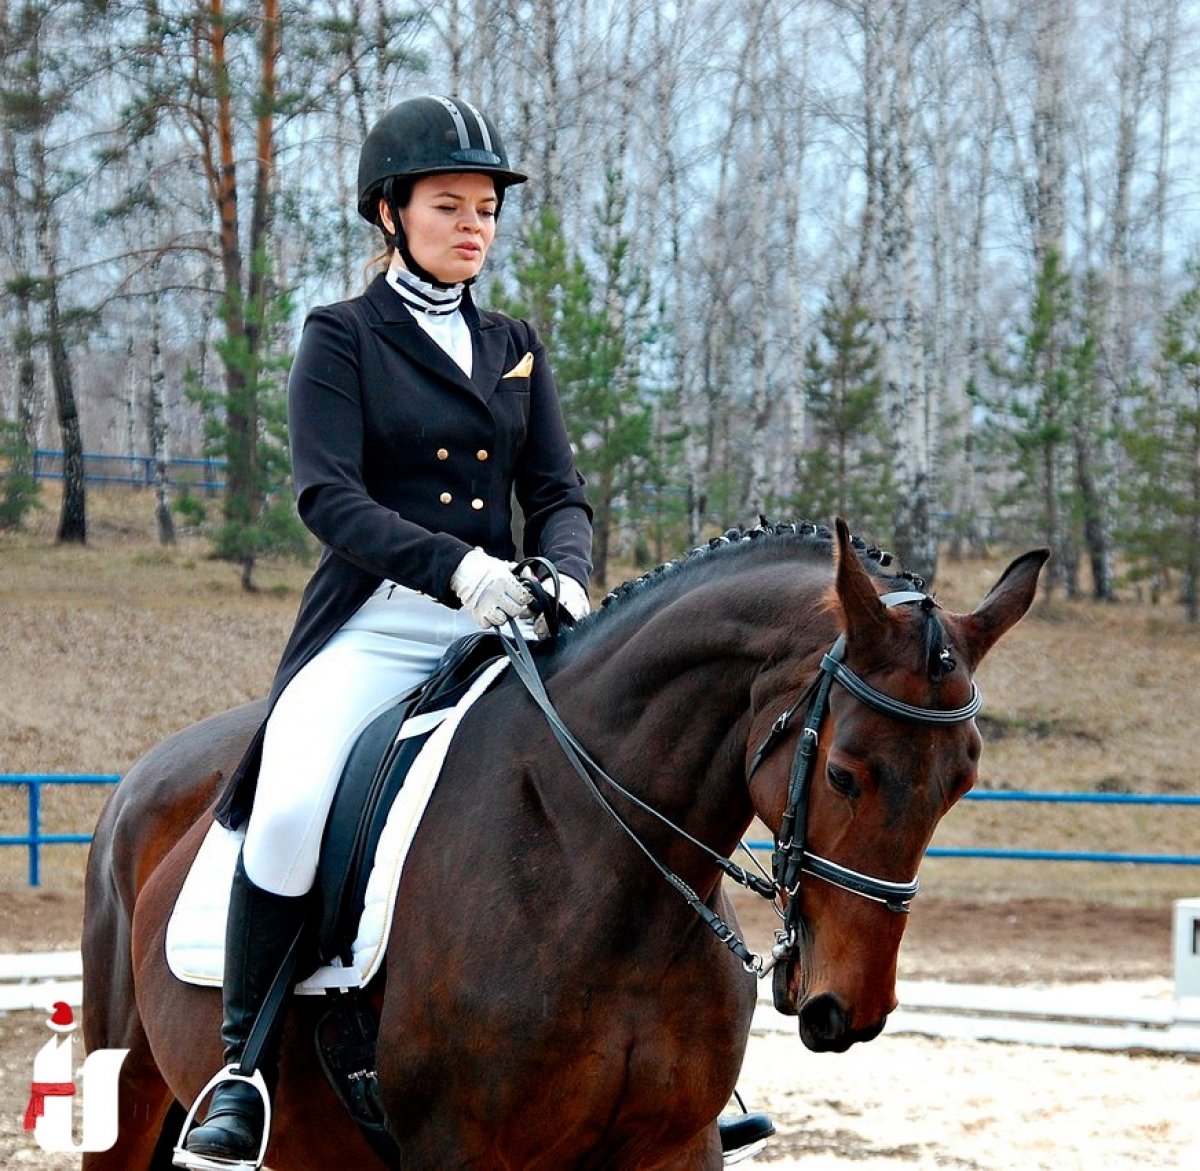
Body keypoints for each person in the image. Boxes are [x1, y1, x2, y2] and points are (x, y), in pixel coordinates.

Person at [176, 94, 593, 1169]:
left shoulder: (513, 343)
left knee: (610, 778)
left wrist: (571, 573)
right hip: (378, 620)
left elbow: (558, 491)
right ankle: (242, 1068)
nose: (474, 226)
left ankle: (661, 1046)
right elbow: (329, 498)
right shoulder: (342, 336)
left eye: (488, 208)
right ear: (390, 212)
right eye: (450, 204)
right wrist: (458, 566)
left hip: (505, 619)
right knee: (291, 807)